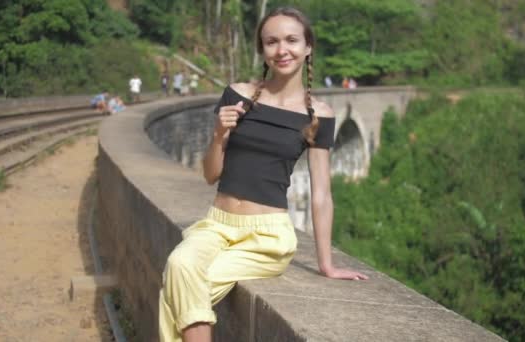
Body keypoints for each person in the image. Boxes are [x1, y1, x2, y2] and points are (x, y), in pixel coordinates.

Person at [158, 7, 368, 342]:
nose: (281, 49)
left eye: (291, 40)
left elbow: (321, 194)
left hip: (266, 238)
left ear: (308, 47)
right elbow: (211, 176)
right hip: (217, 224)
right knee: (181, 267)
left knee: (181, 286)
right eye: (271, 42)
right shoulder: (237, 95)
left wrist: (326, 264)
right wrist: (218, 135)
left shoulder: (319, 115)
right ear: (262, 50)